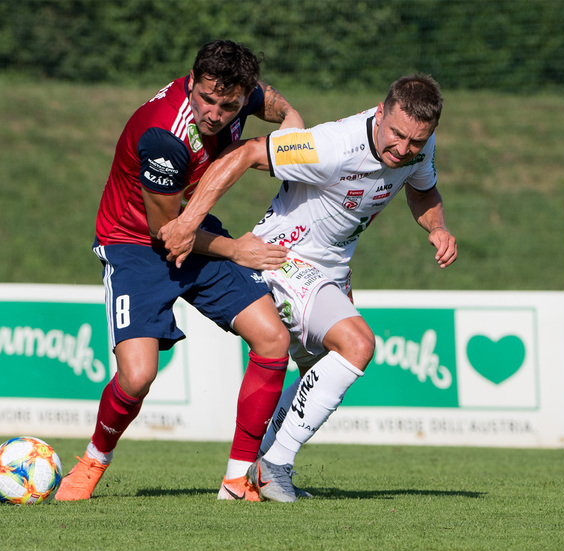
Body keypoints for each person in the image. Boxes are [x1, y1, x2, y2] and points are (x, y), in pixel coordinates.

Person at [159, 74, 457, 502]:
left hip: (333, 270)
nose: (403, 149)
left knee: (318, 378)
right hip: (286, 256)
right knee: (357, 344)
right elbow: (246, 152)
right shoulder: (331, 146)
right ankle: (274, 468)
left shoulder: (420, 146)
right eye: (397, 134)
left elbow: (423, 191)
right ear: (380, 113)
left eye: (416, 141)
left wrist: (438, 228)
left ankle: (252, 475)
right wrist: (188, 222)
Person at [55, 40, 304, 502]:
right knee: (137, 376)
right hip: (135, 244)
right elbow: (167, 234)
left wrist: (292, 121)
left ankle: (237, 479)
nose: (215, 113)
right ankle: (93, 460)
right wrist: (236, 250)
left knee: (273, 339)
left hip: (192, 227)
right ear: (191, 81)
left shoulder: (238, 94)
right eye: (206, 99)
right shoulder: (164, 138)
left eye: (228, 106)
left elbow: (268, 99)